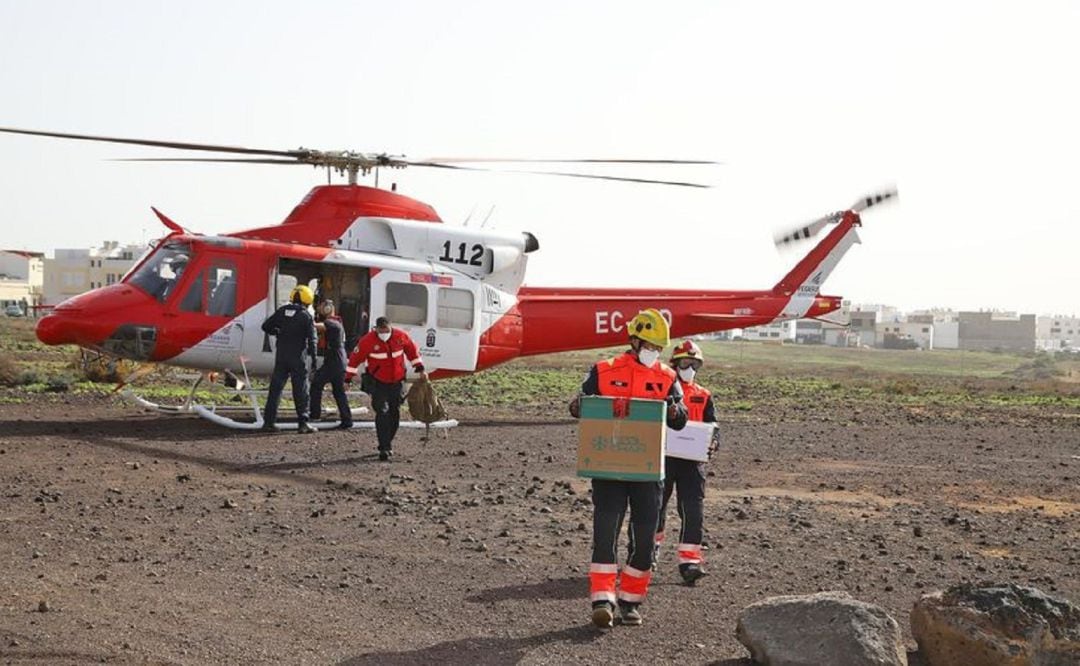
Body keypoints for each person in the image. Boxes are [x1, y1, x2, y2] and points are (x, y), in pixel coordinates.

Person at [569, 308, 688, 628]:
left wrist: (676, 411)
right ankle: (602, 599)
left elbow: (681, 419)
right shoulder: (603, 370)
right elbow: (578, 405)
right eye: (649, 345)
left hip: (648, 472)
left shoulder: (667, 376)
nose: (654, 353)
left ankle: (631, 601)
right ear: (634, 341)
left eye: (658, 348)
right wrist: (579, 404)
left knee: (646, 537)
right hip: (608, 468)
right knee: (605, 533)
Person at [655, 339, 719, 585]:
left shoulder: (704, 395)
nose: (689, 367)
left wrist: (714, 442)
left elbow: (713, 425)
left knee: (693, 511)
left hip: (693, 464)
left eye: (694, 363)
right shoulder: (663, 390)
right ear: (675, 364)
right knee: (655, 508)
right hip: (663, 459)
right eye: (685, 362)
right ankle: (648, 553)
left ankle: (690, 562)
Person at [347, 316, 426, 461]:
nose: (384, 333)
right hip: (378, 382)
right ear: (376, 329)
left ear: (391, 328)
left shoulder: (400, 337)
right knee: (382, 412)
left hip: (397, 381)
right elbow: (354, 359)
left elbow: (412, 351)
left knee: (394, 414)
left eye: (387, 330)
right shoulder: (367, 341)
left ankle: (387, 441)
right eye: (381, 331)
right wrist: (347, 379)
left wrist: (419, 368)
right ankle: (384, 447)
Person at [260, 285, 318, 434]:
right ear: (308, 299)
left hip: (281, 356)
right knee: (301, 390)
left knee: (275, 390)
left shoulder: (282, 312)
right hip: (297, 358)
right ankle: (303, 423)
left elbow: (266, 326)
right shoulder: (306, 316)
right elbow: (313, 340)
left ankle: (269, 422)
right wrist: (314, 361)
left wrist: (278, 332)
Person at [310, 299, 353, 429]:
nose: (320, 309)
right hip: (338, 360)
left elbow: (317, 326)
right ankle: (347, 420)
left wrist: (306, 318)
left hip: (334, 360)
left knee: (316, 384)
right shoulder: (337, 322)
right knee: (338, 391)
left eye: (322, 307)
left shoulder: (331, 322)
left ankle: (315, 415)